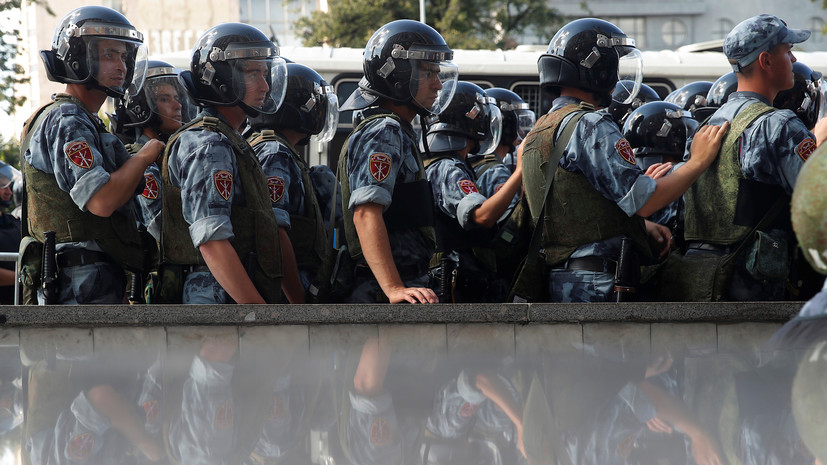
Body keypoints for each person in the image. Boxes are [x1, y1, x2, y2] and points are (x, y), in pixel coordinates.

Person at [520, 17, 728, 303]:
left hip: (563, 279)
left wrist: (638, 226)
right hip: (598, 283)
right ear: (598, 67)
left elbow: (575, 208)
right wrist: (698, 162)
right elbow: (647, 202)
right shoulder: (590, 124)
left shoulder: (540, 129)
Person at [19, 6, 164, 304]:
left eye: (124, 56)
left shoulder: (86, 120)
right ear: (77, 57)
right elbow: (101, 200)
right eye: (109, 54)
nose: (122, 66)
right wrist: (145, 156)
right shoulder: (67, 118)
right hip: (79, 281)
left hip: (94, 278)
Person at [682, 14, 827, 301]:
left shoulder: (707, 124)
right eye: (787, 51)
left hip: (700, 281)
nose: (794, 59)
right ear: (766, 61)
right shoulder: (780, 125)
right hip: (755, 292)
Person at [160, 22, 291, 304]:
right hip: (215, 299)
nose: (265, 85)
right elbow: (212, 240)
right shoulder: (210, 144)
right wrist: (258, 315)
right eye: (253, 73)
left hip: (230, 297)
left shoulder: (230, 139)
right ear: (221, 79)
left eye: (265, 73)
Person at [337, 19, 458, 304]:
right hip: (382, 290)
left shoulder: (397, 130)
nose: (438, 84)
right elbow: (366, 213)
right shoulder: (384, 131)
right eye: (429, 73)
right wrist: (393, 288)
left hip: (400, 283)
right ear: (400, 75)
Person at [246, 62, 339, 302]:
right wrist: (298, 304)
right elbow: (275, 232)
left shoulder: (275, 149)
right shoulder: (275, 152)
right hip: (285, 295)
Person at [423, 81, 522, 302]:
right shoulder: (449, 168)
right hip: (456, 284)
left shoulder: (448, 164)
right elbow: (482, 216)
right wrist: (520, 172)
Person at [119, 59, 194, 241]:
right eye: (164, 99)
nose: (178, 106)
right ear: (141, 107)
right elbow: (162, 227)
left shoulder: (169, 155)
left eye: (177, 98)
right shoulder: (142, 162)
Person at [468, 87, 535, 221]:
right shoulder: (496, 173)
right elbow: (512, 224)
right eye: (517, 125)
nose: (521, 132)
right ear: (505, 126)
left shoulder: (473, 161)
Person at [0, 163, 20, 304]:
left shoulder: (12, 221)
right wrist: (24, 278)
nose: (9, 192)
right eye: (2, 186)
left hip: (23, 309)